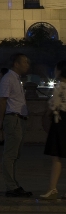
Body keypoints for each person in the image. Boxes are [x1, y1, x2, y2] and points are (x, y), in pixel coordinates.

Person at [0, 53, 32, 198]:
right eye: (25, 62)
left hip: (19, 119)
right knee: (10, 154)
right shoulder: (8, 78)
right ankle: (11, 186)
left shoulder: (16, 79)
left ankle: (14, 184)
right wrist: (1, 120)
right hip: (13, 119)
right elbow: (3, 100)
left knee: (15, 154)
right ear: (16, 64)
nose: (27, 64)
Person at [41, 60, 66, 200]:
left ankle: (52, 188)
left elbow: (52, 105)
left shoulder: (60, 87)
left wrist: (46, 116)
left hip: (61, 122)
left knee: (56, 157)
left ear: (60, 71)